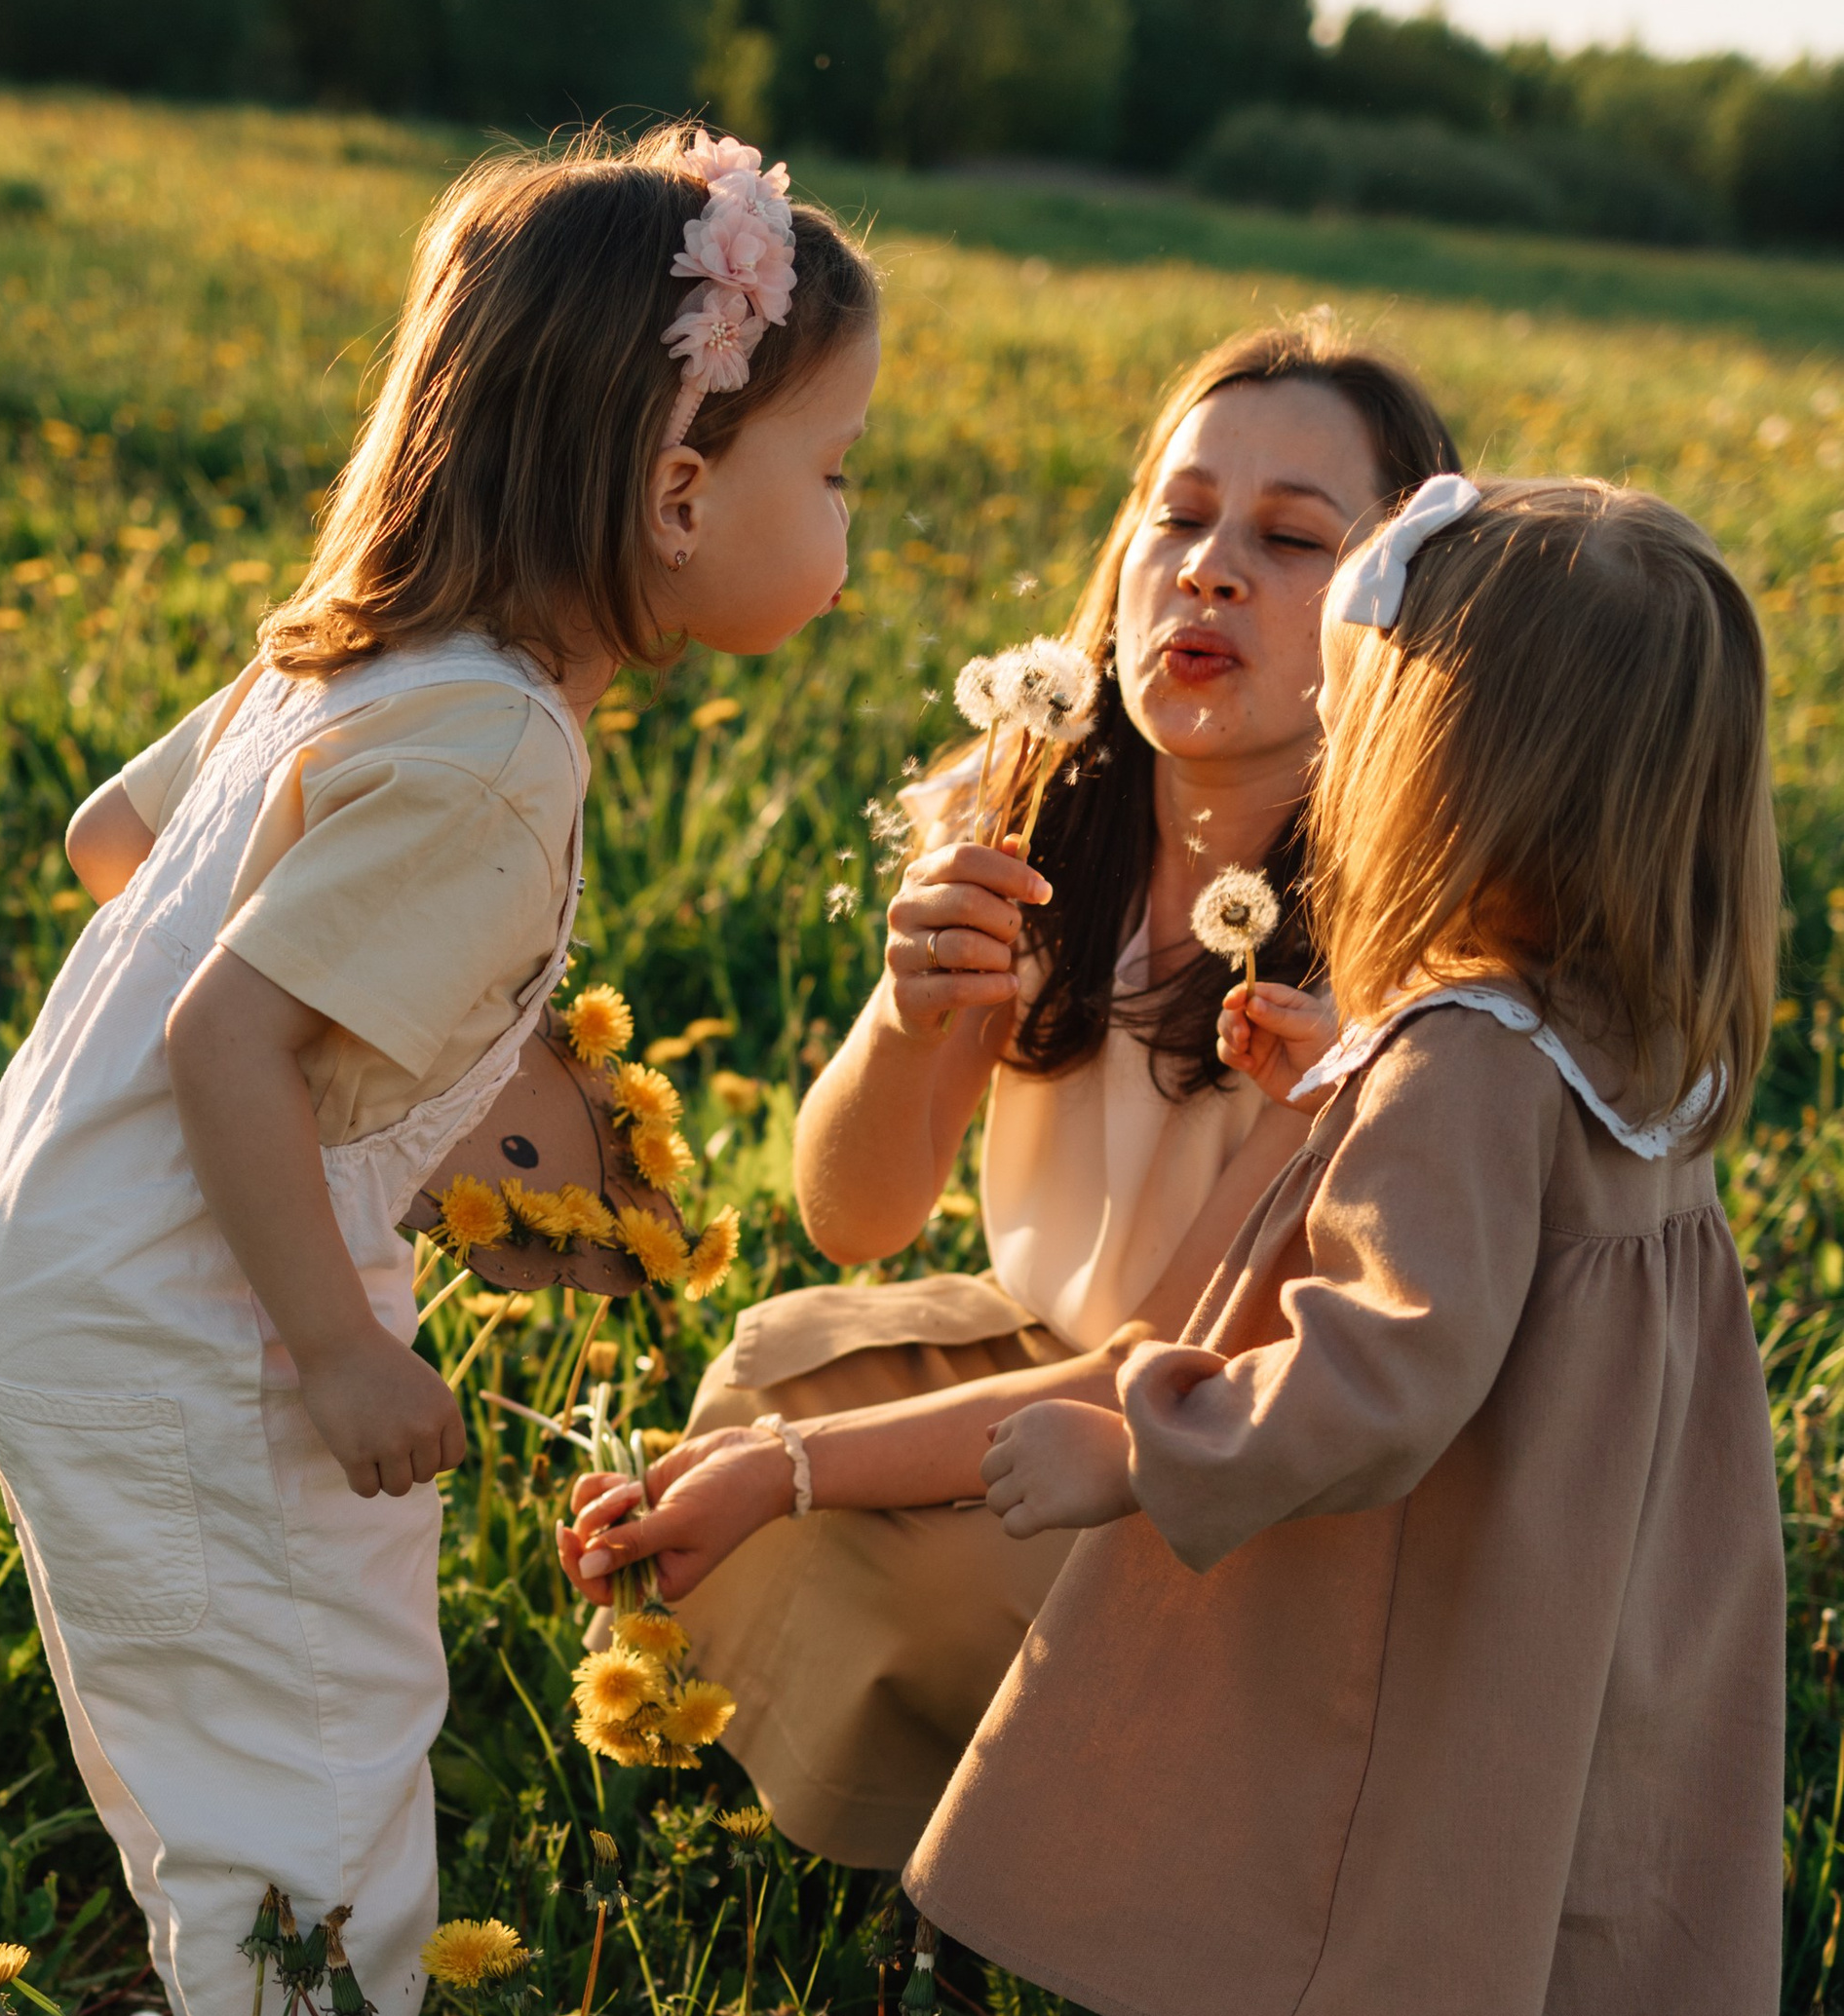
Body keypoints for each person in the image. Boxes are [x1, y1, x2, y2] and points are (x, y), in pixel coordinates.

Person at [0, 129, 879, 2016]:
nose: (845, 519)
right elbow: (225, 1036)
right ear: (672, 486)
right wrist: (337, 1345)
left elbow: (122, 851)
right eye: (830, 470)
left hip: (63, 1267)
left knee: (214, 1717)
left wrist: (417, 1069)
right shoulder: (496, 749)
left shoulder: (347, 660)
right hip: (204, 1316)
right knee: (316, 1733)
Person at [909, 474, 1785, 2016]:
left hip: (1411, 1601)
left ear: (1461, 774)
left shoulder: (1470, 1059)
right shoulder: (1634, 1038)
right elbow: (1525, 1257)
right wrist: (1358, 1081)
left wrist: (1138, 1440)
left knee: (1341, 1946)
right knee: (1463, 1869)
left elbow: (1389, 1365)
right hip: (1552, 1594)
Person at [559, 323, 1460, 1869]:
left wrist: (796, 1480)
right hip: (1057, 1352)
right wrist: (913, 1019)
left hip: (1227, 1447)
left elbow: (1164, 1369)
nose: (1212, 569)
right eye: (1177, 519)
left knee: (878, 1546)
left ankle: (1056, 1865)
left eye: (1294, 538)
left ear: (1401, 615)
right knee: (771, 1369)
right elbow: (855, 1217)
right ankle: (933, 1787)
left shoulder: (1400, 936)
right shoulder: (1034, 811)